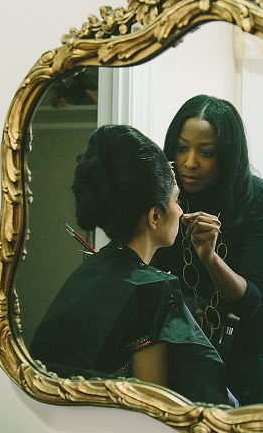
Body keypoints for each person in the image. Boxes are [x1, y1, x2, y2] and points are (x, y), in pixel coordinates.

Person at [30, 124, 231, 406]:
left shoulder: (91, 268)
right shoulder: (152, 291)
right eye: (175, 200)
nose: (181, 211)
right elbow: (153, 411)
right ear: (154, 216)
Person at [154, 95, 263, 406]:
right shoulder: (163, 196)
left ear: (228, 155)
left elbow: (250, 301)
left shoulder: (259, 201)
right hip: (178, 344)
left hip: (243, 350)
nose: (190, 162)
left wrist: (210, 258)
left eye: (206, 152)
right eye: (182, 148)